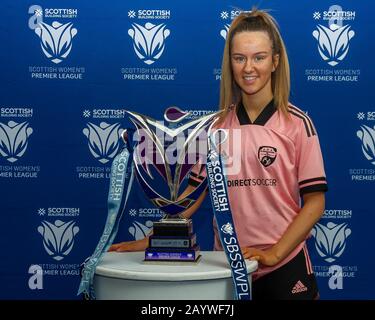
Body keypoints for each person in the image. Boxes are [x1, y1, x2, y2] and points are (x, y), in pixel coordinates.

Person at [109, 9, 328, 300]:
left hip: (285, 265)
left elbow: (315, 202)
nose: (249, 68)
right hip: (228, 266)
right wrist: (156, 238)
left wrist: (274, 253)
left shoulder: (298, 124)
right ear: (230, 63)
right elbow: (193, 192)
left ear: (275, 62)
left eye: (259, 57)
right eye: (240, 58)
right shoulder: (216, 127)